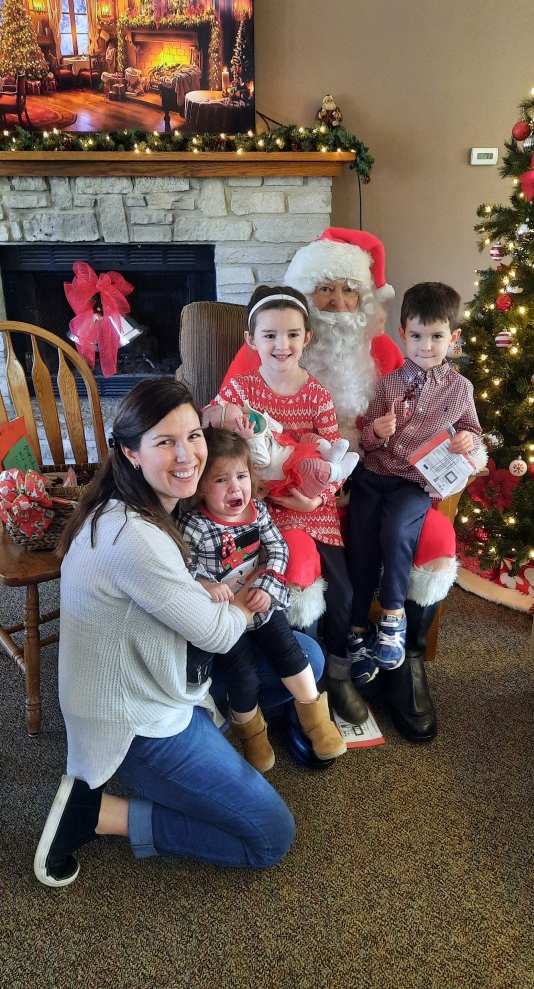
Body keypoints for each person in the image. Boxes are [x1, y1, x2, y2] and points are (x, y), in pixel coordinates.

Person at [33, 378, 323, 889]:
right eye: (165, 442)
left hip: (166, 671)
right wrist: (248, 590)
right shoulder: (135, 538)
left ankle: (222, 722)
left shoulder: (149, 506)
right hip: (136, 719)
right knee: (270, 835)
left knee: (307, 657)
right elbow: (218, 633)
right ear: (131, 452)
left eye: (193, 436)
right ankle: (97, 813)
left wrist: (240, 586)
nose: (187, 455)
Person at [223, 227, 483, 742]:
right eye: (325, 290)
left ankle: (403, 662)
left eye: (349, 290)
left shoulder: (390, 350)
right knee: (302, 563)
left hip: (380, 484)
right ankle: (307, 674)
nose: (339, 303)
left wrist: (464, 449)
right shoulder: (261, 352)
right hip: (283, 499)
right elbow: (225, 438)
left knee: (437, 540)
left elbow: (444, 426)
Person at [213, 285, 367, 725]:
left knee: (342, 590)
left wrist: (317, 497)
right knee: (292, 578)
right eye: (270, 335)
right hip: (263, 507)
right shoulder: (241, 389)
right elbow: (215, 437)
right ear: (251, 340)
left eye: (292, 334)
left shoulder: (317, 394)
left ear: (306, 338)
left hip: (313, 505)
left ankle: (334, 673)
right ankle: (295, 679)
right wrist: (222, 419)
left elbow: (333, 461)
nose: (282, 345)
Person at [177, 426, 346, 772]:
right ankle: (252, 736)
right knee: (244, 675)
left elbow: (278, 549)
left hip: (262, 603)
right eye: (221, 480)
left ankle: (317, 723)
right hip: (226, 617)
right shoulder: (195, 525)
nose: (235, 487)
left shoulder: (258, 511)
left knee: (289, 651)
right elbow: (181, 567)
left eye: (241, 476)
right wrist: (205, 584)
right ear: (201, 487)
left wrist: (267, 584)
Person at [347, 282, 483, 678]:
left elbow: (473, 431)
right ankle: (356, 628)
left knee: (396, 530)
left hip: (414, 483)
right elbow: (364, 441)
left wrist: (467, 440)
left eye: (437, 336)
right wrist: (376, 432)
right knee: (362, 539)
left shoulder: (460, 389)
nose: (426, 346)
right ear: (403, 334)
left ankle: (392, 617)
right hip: (374, 475)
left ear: (453, 338)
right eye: (418, 336)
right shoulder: (386, 384)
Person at [201, 398, 359, 500]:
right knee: (310, 467)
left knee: (308, 438)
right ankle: (338, 471)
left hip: (294, 452)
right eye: (239, 422)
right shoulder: (242, 448)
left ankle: (330, 455)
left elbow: (279, 429)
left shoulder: (318, 395)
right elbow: (263, 460)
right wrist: (250, 439)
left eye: (243, 414)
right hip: (292, 476)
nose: (247, 418)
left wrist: (263, 420)